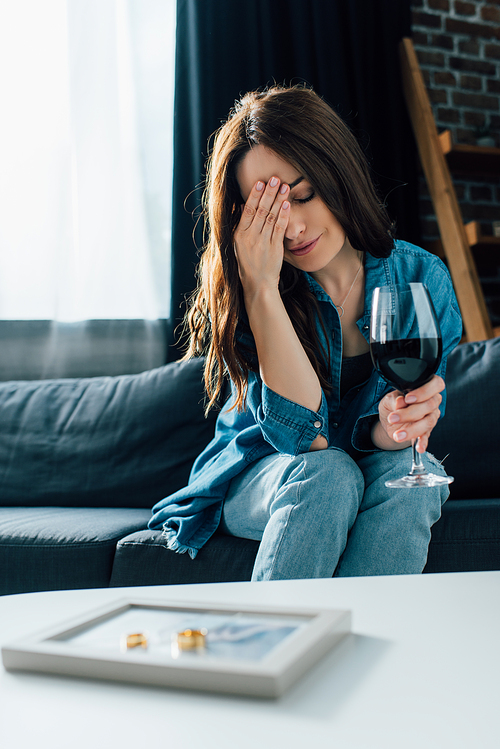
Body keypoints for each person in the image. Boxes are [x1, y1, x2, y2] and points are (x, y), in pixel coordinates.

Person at [149, 85, 463, 580]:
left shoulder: (421, 279)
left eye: (301, 196)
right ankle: (270, 654)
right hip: (263, 471)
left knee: (415, 478)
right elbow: (303, 440)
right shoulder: (252, 287)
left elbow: (393, 436)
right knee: (329, 475)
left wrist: (398, 423)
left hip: (364, 463)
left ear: (336, 172)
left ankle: (370, 654)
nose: (292, 228)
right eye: (268, 211)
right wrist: (261, 291)